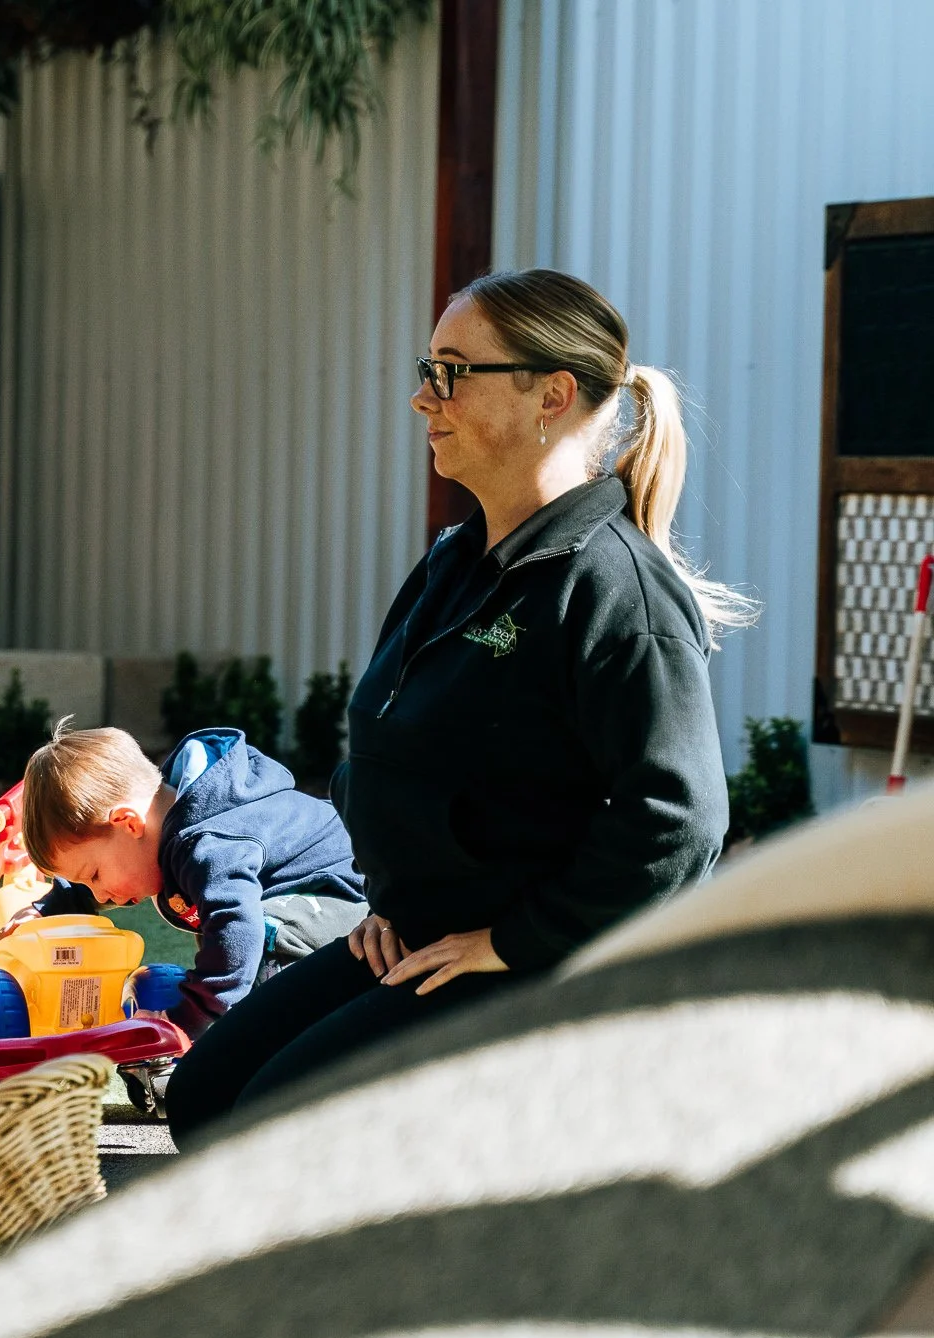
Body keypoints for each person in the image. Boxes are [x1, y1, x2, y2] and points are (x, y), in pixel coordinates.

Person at [166, 268, 744, 1147]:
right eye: (426, 368)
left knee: (263, 1134)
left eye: (450, 372)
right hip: (414, 938)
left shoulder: (613, 586)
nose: (420, 398)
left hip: (528, 963)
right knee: (204, 1099)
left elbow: (680, 819)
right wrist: (393, 901)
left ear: (549, 394)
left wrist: (513, 940)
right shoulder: (456, 560)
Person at [17, 723, 368, 1040]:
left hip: (354, 901)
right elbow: (103, 865)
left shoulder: (208, 844)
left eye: (93, 876)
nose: (98, 891)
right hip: (311, 904)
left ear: (128, 823)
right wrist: (56, 905)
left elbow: (237, 928)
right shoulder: (165, 820)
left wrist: (186, 1021)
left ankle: (291, 1045)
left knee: (259, 935)